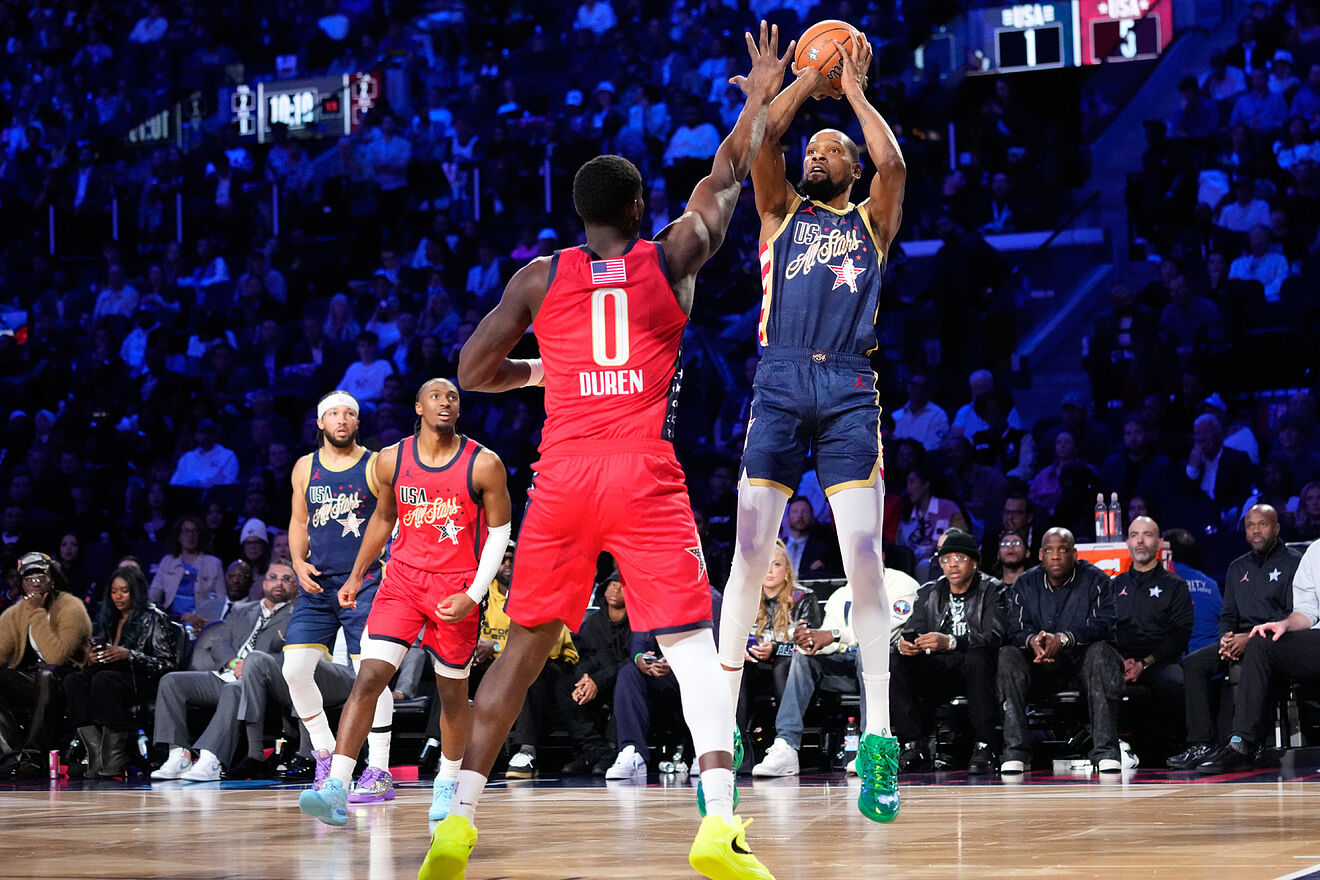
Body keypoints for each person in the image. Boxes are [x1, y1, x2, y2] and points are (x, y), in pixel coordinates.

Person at [426, 24, 794, 880]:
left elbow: (473, 372)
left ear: (580, 214)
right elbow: (728, 175)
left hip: (559, 476)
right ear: (635, 209)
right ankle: (715, 826)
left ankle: (457, 818)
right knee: (694, 643)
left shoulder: (538, 275)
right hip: (640, 469)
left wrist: (544, 372)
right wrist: (758, 99)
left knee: (518, 653)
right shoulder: (671, 254)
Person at [714, 27, 907, 827]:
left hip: (850, 388)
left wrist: (850, 89)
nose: (819, 152)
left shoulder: (872, 219)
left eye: (834, 148)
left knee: (864, 557)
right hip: (783, 381)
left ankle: (880, 743)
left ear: (851, 168)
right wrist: (798, 82)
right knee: (747, 553)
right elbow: (761, 139)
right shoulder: (776, 211)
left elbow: (893, 163)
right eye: (816, 146)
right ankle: (717, 744)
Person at [298, 377, 511, 827]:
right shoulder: (393, 459)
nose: (446, 402)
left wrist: (474, 595)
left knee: (452, 694)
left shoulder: (484, 463)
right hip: (401, 583)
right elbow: (383, 517)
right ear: (418, 406)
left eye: (453, 396)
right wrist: (357, 575)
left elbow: (499, 533)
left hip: (455, 589)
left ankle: (448, 783)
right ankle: (338, 783)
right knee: (368, 677)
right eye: (435, 396)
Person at [283, 390, 393, 801]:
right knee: (293, 670)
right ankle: (327, 754)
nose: (342, 419)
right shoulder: (304, 467)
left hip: (365, 583)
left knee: (373, 676)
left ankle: (379, 770)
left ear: (358, 422)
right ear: (320, 422)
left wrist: (363, 572)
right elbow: (298, 520)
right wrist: (297, 562)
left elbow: (387, 520)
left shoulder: (375, 463)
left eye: (349, 413)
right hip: (317, 586)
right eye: (333, 413)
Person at [1166, 505, 1301, 769]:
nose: (1256, 531)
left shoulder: (1294, 563)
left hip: (1275, 641)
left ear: (1276, 528)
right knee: (1193, 664)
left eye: (1263, 525)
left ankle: (1239, 745)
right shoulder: (1237, 568)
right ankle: (1201, 744)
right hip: (1237, 639)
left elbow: (1292, 615)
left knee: (1246, 661)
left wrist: (1247, 639)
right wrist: (1226, 639)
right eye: (1250, 526)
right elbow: (1227, 614)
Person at [149, 561, 297, 781]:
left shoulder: (297, 616)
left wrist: (251, 665)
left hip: (262, 684)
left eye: (287, 579)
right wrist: (234, 662)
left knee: (234, 690)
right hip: (227, 674)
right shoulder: (241, 610)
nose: (279, 584)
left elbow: (293, 655)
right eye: (274, 577)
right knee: (171, 682)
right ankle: (179, 754)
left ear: (296, 587)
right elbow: (219, 642)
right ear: (264, 582)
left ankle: (211, 759)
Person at [998, 528, 1124, 773]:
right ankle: (1016, 752)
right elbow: (1014, 628)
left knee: (1101, 652)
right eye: (1049, 550)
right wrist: (1033, 640)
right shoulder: (1025, 583)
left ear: (1075, 554)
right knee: (1007, 655)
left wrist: (1066, 639)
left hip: (1082, 668)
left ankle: (1106, 752)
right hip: (1038, 668)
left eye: (1063, 549)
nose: (1056, 556)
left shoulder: (1097, 580)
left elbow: (1104, 624)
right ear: (1040, 554)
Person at [1197, 539, 1320, 772]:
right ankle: (1243, 744)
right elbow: (1306, 611)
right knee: (1262, 641)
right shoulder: (1315, 551)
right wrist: (1283, 624)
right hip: (1316, 639)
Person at [890, 529, 1004, 774]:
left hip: (977, 669)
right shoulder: (929, 592)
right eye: (946, 559)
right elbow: (912, 629)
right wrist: (905, 644)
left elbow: (994, 636)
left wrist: (951, 642)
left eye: (960, 558)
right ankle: (914, 745)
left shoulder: (993, 590)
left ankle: (986, 746)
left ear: (975, 562)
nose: (952, 564)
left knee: (977, 659)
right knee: (894, 661)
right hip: (938, 669)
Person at [63, 564, 179, 777]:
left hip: (143, 679)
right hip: (111, 677)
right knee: (74, 681)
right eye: (114, 591)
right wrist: (92, 658)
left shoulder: (154, 617)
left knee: (105, 681)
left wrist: (130, 655)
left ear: (136, 591)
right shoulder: (109, 618)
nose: (118, 596)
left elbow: (168, 664)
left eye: (124, 591)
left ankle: (115, 756)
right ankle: (97, 752)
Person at [0, 552, 92, 775]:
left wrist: (38, 613)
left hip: (68, 679)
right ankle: (12, 756)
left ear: (51, 578)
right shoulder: (17, 611)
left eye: (39, 575)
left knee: (46, 673)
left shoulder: (71, 607)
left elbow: (56, 657)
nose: (34, 582)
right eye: (28, 577)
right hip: (34, 679)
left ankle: (34, 756)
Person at [1111, 517, 1193, 760]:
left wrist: (1144, 663)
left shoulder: (1175, 586)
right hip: (1120, 662)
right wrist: (1121, 661)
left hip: (1160, 661)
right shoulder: (1113, 586)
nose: (1140, 540)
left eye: (1147, 534)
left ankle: (1182, 747)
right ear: (1127, 542)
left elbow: (1180, 633)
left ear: (1158, 542)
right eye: (1135, 534)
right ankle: (1105, 750)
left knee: (1175, 680)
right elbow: (1105, 630)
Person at [737, 541, 823, 737]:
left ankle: (786, 740)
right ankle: (737, 742)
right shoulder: (746, 598)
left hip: (791, 670)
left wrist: (775, 649)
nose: (769, 570)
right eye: (764, 565)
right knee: (738, 668)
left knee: (783, 665)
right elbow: (732, 637)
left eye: (776, 564)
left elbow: (808, 647)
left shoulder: (804, 598)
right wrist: (740, 651)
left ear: (787, 570)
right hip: (756, 667)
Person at [148, 516, 224, 623]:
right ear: (179, 537)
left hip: (202, 620)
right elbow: (155, 591)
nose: (190, 535)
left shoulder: (214, 563)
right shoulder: (167, 561)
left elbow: (221, 599)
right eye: (186, 531)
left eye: (194, 531)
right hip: (172, 620)